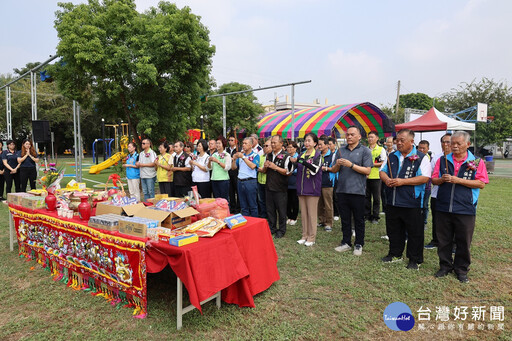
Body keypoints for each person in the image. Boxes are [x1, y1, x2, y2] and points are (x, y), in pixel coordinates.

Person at [432, 131, 488, 283]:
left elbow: (481, 183)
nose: (454, 146)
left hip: (465, 208)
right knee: (444, 239)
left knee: (463, 241)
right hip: (443, 206)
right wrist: (441, 180)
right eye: (452, 143)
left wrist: (458, 180)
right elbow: (434, 180)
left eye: (458, 143)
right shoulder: (443, 160)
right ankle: (445, 266)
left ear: (468, 145)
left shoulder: (476, 161)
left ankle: (461, 270)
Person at [380, 129, 431, 269]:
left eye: (402, 140)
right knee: (394, 230)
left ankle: (415, 259)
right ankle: (395, 254)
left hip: (412, 202)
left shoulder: (421, 157)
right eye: (397, 140)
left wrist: (402, 182)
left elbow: (425, 177)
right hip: (393, 200)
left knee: (415, 232)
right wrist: (387, 180)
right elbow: (382, 171)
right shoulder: (392, 156)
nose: (399, 143)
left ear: (411, 141)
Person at [330, 126, 372, 256]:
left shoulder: (365, 151)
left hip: (358, 191)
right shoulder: (341, 150)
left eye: (352, 134)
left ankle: (359, 243)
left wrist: (351, 165)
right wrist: (338, 164)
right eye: (347, 134)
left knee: (359, 219)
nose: (349, 137)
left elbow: (367, 170)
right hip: (342, 190)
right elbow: (334, 170)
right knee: (345, 219)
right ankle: (346, 242)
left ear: (359, 136)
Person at [294, 133, 322, 246]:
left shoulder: (317, 156)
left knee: (311, 214)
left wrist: (302, 161)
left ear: (315, 143)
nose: (307, 143)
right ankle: (304, 235)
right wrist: (295, 161)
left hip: (312, 189)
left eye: (309, 141)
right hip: (301, 189)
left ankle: (311, 237)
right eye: (305, 141)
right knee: (304, 214)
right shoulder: (301, 155)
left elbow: (314, 170)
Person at [425, 133, 452, 249]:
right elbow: (430, 174)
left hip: (453, 194)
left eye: (448, 142)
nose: (446, 144)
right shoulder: (437, 158)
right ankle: (436, 240)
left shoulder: (458, 158)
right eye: (443, 142)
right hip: (437, 193)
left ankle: (453, 243)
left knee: (452, 220)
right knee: (437, 218)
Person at [262, 135, 291, 238]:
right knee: (270, 210)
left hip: (280, 188)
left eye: (275, 143)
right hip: (269, 186)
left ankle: (281, 230)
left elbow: (288, 172)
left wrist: (275, 167)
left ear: (281, 143)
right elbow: (265, 171)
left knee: (281, 211)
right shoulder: (269, 155)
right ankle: (272, 227)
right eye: (272, 143)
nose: (273, 145)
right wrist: (265, 167)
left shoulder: (286, 156)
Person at [231, 137, 260, 217]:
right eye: (243, 143)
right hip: (240, 181)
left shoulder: (255, 155)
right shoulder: (240, 155)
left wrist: (243, 157)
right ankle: (246, 222)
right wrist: (234, 160)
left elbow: (253, 166)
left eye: (245, 143)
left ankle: (254, 222)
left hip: (250, 181)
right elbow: (233, 168)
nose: (243, 145)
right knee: (243, 206)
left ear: (251, 145)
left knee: (252, 205)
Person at [365, 131, 386, 224]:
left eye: (372, 137)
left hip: (376, 176)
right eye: (369, 137)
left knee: (376, 198)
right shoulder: (365, 149)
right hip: (366, 176)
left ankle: (375, 217)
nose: (370, 139)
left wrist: (372, 164)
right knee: (366, 197)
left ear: (377, 138)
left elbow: (383, 162)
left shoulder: (381, 149)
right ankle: (367, 215)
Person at [317, 136, 335, 232]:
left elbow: (335, 169)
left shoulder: (332, 156)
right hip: (317, 182)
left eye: (321, 144)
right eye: (318, 144)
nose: (319, 146)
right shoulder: (317, 155)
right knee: (319, 204)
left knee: (328, 204)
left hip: (327, 183)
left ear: (327, 145)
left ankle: (329, 223)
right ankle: (321, 221)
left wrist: (326, 169)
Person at [208, 136, 231, 201]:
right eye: (217, 143)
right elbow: (210, 168)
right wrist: (209, 161)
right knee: (216, 199)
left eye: (219, 143)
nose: (217, 145)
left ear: (223, 144)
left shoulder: (227, 154)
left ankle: (225, 211)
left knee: (224, 200)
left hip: (223, 179)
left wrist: (217, 161)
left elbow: (227, 167)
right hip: (214, 179)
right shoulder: (214, 155)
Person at [417, 140, 431, 230]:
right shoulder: (414, 157)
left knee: (425, 205)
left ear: (428, 149)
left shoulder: (428, 158)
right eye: (419, 148)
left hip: (426, 187)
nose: (421, 150)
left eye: (423, 148)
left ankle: (424, 222)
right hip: (417, 187)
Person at [286, 141, 299, 226]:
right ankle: (289, 216)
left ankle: (294, 217)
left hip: (295, 183)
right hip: (286, 183)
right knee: (287, 201)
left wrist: (289, 171)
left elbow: (297, 170)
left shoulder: (297, 157)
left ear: (295, 148)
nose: (289, 149)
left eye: (291, 147)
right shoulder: (286, 157)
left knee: (294, 201)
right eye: (288, 147)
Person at [257, 139, 271, 218]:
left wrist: (262, 170)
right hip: (260, 181)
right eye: (264, 146)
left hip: (268, 182)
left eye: (267, 146)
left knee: (268, 202)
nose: (264, 148)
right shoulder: (261, 156)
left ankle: (269, 217)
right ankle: (263, 216)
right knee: (261, 200)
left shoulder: (272, 157)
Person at [227, 136, 241, 213]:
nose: (230, 141)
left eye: (232, 140)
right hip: (229, 172)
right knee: (231, 191)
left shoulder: (239, 149)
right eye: (229, 140)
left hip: (236, 172)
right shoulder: (227, 150)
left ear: (236, 141)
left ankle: (238, 208)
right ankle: (232, 207)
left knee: (238, 191)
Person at [328, 137, 340, 221]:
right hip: (328, 177)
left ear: (334, 145)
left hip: (336, 177)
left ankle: (336, 213)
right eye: (327, 144)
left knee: (336, 196)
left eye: (330, 144)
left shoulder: (337, 153)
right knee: (329, 196)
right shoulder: (326, 154)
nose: (329, 146)